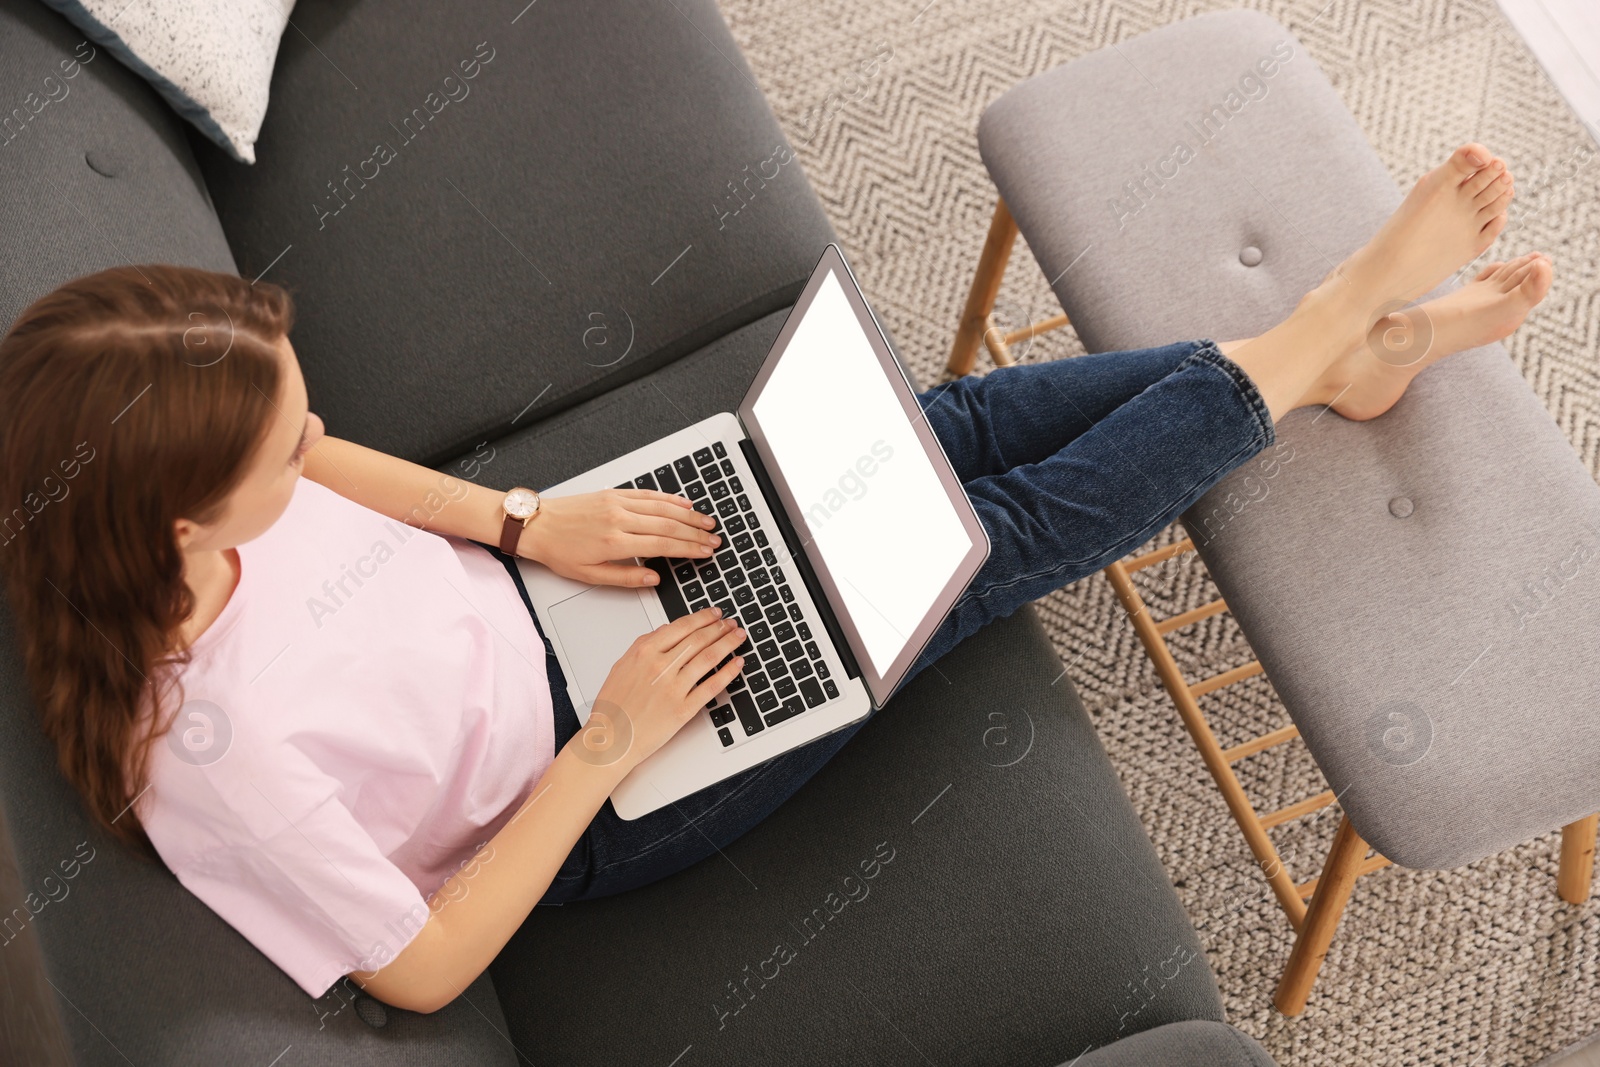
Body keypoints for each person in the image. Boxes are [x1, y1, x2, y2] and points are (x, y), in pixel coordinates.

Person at [0, 143, 1546, 1013]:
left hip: (558, 592)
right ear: (184, 532)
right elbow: (422, 966)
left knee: (933, 432)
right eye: (281, 447)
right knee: (977, 551)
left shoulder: (132, 486)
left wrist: (526, 522)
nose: (318, 441)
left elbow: (333, 458)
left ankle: (1322, 362)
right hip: (595, 776)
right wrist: (607, 736)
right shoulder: (216, 759)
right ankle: (1331, 329)